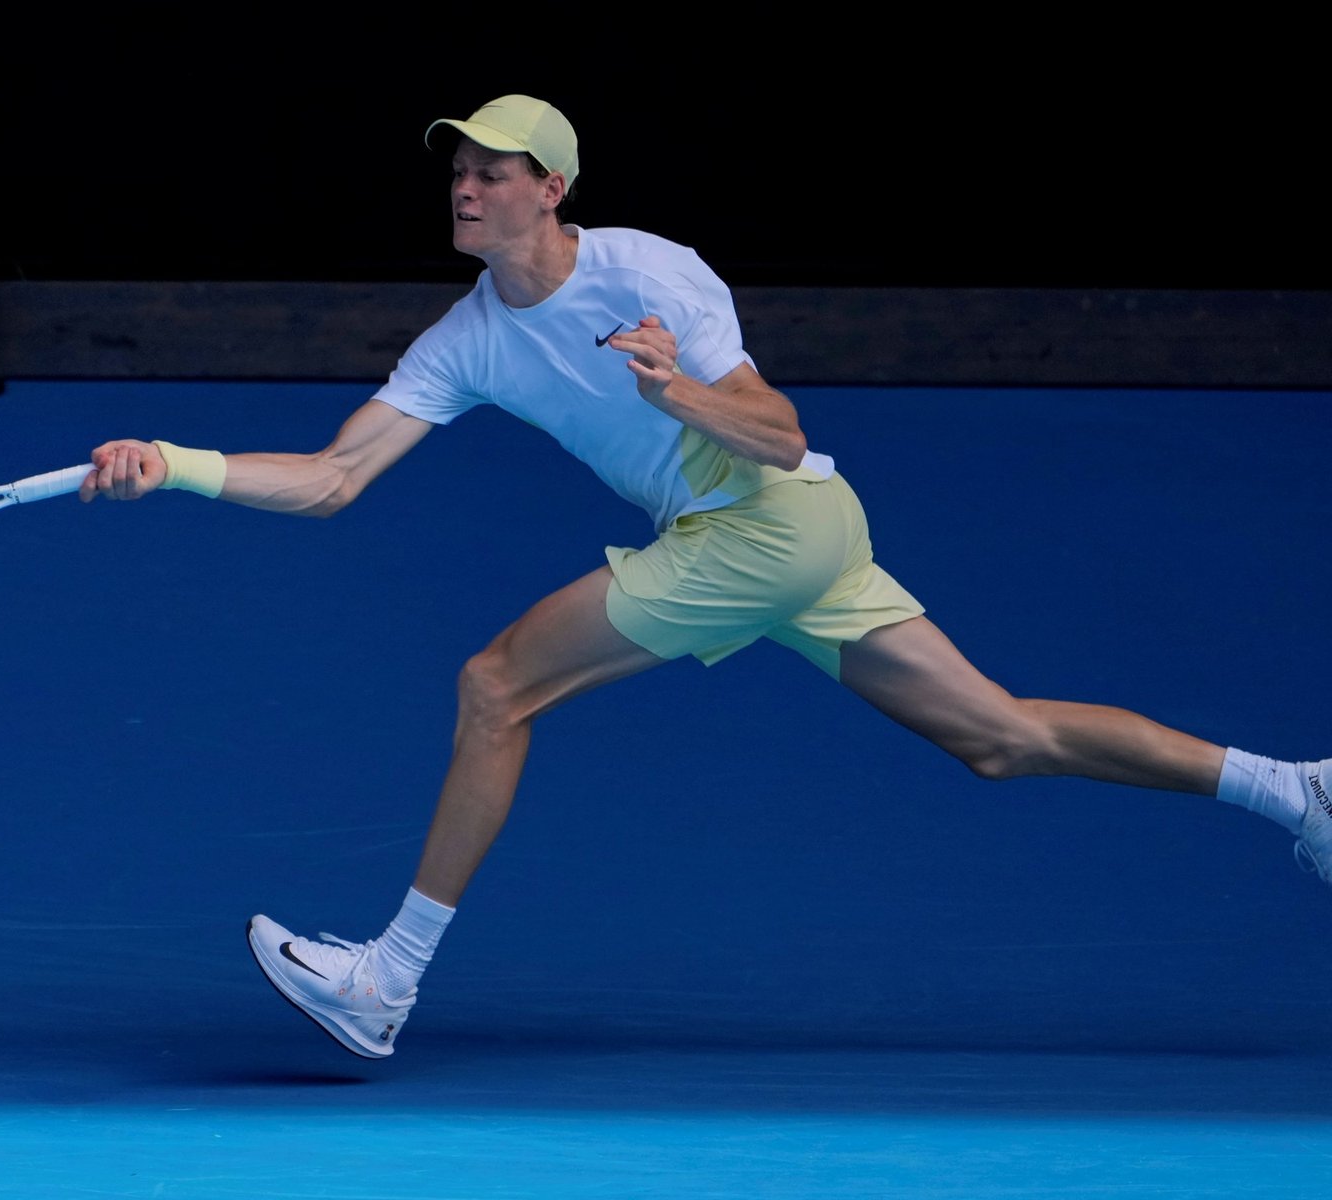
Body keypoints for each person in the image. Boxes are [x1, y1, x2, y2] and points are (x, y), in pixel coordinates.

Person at [80, 94, 1332, 1060]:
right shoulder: (464, 339)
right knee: (1000, 738)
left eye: (490, 173)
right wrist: (175, 463)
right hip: (794, 541)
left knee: (496, 686)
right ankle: (1298, 792)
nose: (463, 189)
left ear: (550, 189)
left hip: (772, 520)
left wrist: (671, 387)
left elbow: (777, 432)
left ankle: (384, 982)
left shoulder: (646, 271)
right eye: (455, 172)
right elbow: (335, 478)